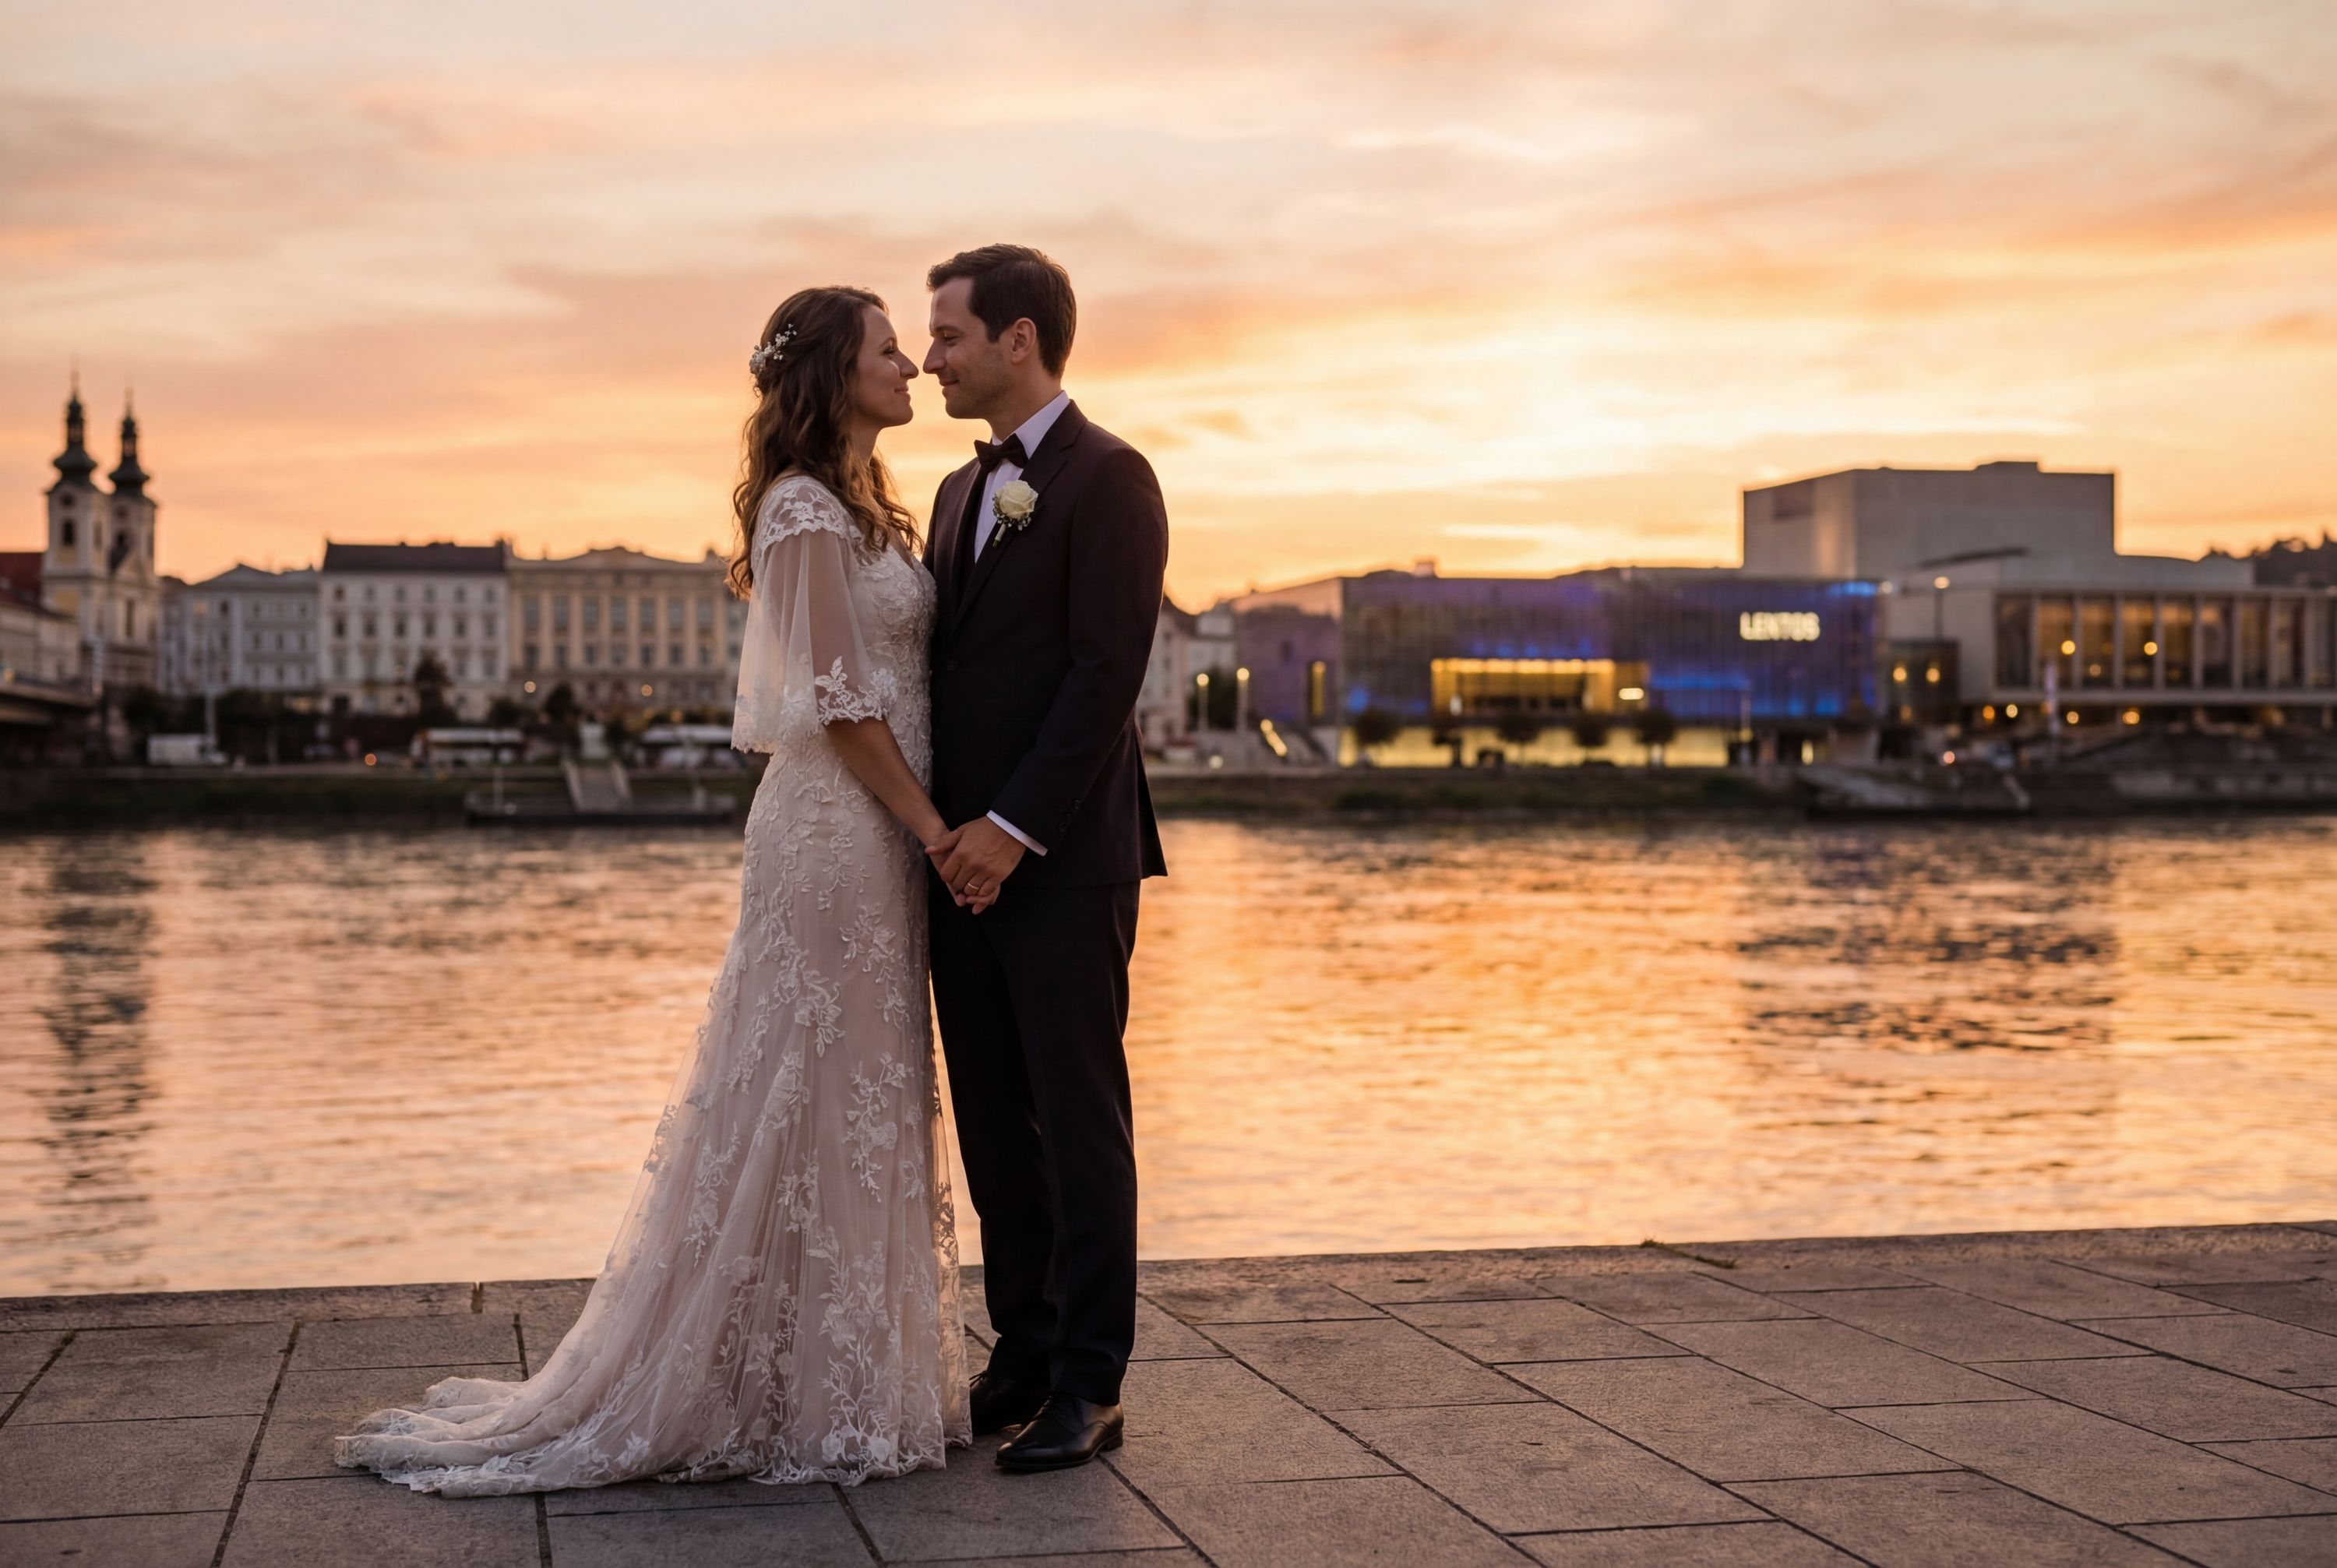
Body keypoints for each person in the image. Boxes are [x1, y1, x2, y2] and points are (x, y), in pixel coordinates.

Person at [333, 285, 969, 1495]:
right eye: (889, 349)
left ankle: (830, 1374)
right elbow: (840, 701)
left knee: (859, 1086)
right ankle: (778, 1383)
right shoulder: (801, 506)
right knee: (806, 1079)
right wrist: (936, 826)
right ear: (834, 375)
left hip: (875, 830)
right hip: (841, 826)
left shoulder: (867, 504)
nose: (910, 367)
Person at [919, 245, 1170, 1471]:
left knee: (1078, 1118)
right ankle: (1021, 1346)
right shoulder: (954, 493)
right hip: (953, 862)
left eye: (949, 336)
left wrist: (1010, 829)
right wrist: (941, 833)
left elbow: (1103, 677)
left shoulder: (1112, 476)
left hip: (1060, 858)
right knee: (991, 1118)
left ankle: (1090, 1380)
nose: (931, 358)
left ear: (1018, 339)